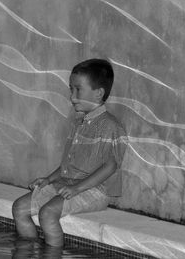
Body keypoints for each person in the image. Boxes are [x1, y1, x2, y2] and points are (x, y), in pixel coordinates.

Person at [12, 58, 127, 247]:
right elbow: (69, 165)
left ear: (98, 94)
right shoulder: (80, 123)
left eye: (78, 90)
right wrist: (49, 179)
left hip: (94, 191)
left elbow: (110, 166)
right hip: (67, 184)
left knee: (47, 214)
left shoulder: (110, 126)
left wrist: (77, 189)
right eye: (70, 89)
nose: (72, 96)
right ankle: (28, 251)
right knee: (19, 208)